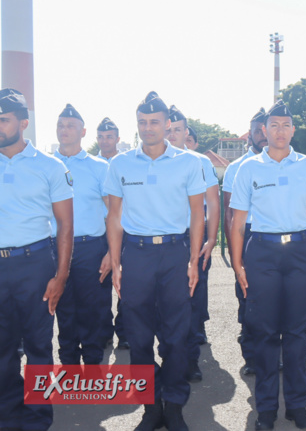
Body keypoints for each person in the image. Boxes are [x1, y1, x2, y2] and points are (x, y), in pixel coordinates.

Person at [104, 91, 206, 431]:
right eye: (143, 123)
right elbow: (114, 216)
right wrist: (116, 261)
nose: (148, 128)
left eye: (155, 122)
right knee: (139, 336)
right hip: (136, 255)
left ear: (167, 124)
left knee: (176, 336)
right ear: (138, 125)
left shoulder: (188, 162)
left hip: (175, 254)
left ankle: (174, 406)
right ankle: (150, 407)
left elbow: (196, 214)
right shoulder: (120, 164)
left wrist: (193, 259)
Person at [229, 99, 306, 430]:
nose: (280, 131)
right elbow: (238, 220)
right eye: (274, 126)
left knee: (297, 333)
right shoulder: (249, 168)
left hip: (300, 252)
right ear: (263, 131)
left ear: (293, 130)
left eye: (286, 125)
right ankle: (266, 408)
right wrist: (238, 263)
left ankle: (297, 405)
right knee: (266, 333)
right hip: (263, 254)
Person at [0, 88, 73, 431]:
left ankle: (38, 420)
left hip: (34, 264)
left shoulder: (49, 166)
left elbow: (65, 225)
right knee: (1, 349)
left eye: (3, 120)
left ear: (23, 123)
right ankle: (8, 417)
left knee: (39, 348)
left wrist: (60, 276)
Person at [52, 104, 111, 366]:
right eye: (61, 125)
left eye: (71, 126)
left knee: (92, 308)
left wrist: (111, 251)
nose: (65, 130)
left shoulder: (99, 167)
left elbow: (113, 212)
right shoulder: (46, 165)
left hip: (90, 248)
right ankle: (68, 365)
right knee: (62, 309)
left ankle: (93, 362)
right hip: (54, 248)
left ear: (83, 131)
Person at [167, 104, 221, 383]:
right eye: (169, 130)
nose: (173, 135)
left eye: (178, 130)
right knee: (166, 304)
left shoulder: (200, 162)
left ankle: (190, 360)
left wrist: (212, 239)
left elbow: (212, 201)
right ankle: (169, 358)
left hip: (194, 238)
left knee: (193, 300)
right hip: (165, 242)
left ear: (186, 132)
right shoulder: (153, 161)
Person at [223, 107, 268, 376]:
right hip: (247, 234)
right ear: (249, 135)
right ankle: (251, 355)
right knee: (248, 296)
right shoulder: (236, 168)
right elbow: (229, 213)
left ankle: (276, 352)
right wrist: (234, 253)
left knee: (275, 299)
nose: (262, 135)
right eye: (257, 131)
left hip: (273, 238)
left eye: (266, 129)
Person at [95, 116, 128, 350]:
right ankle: (104, 331)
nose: (105, 141)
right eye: (101, 137)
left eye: (109, 137)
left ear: (117, 139)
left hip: (125, 233)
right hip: (98, 236)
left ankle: (125, 332)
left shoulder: (127, 163)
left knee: (127, 286)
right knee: (100, 287)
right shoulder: (91, 164)